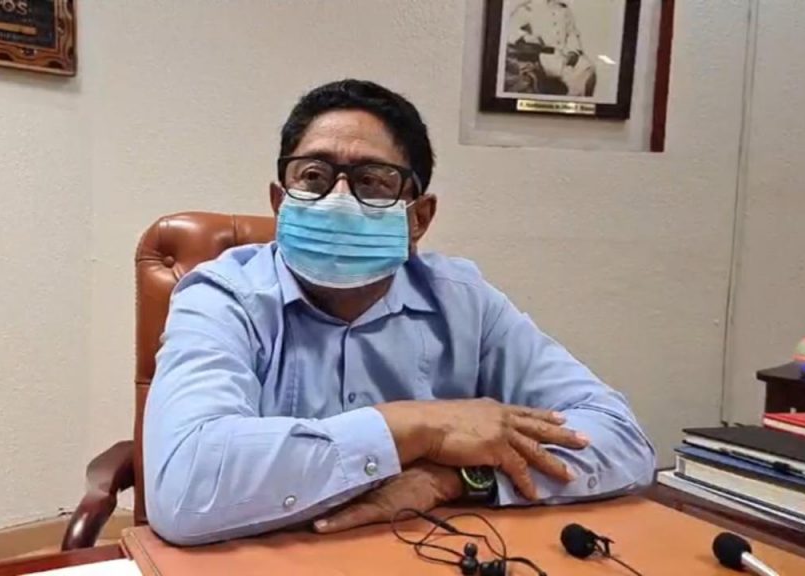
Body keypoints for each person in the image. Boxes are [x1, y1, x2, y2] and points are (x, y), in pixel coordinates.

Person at [144, 79, 655, 546]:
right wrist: (418, 426)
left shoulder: (464, 302)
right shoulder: (221, 296)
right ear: (280, 203)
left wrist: (452, 479)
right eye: (314, 176)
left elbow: (621, 439)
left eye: (372, 180)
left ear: (419, 218)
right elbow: (184, 488)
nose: (337, 200)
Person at [505, 0, 597, 97]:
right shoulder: (527, 9)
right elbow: (510, 30)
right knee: (569, 76)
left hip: (565, 55)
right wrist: (527, 37)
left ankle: (575, 100)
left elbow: (572, 33)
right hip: (544, 57)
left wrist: (573, 52)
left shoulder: (563, 9)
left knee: (587, 67)